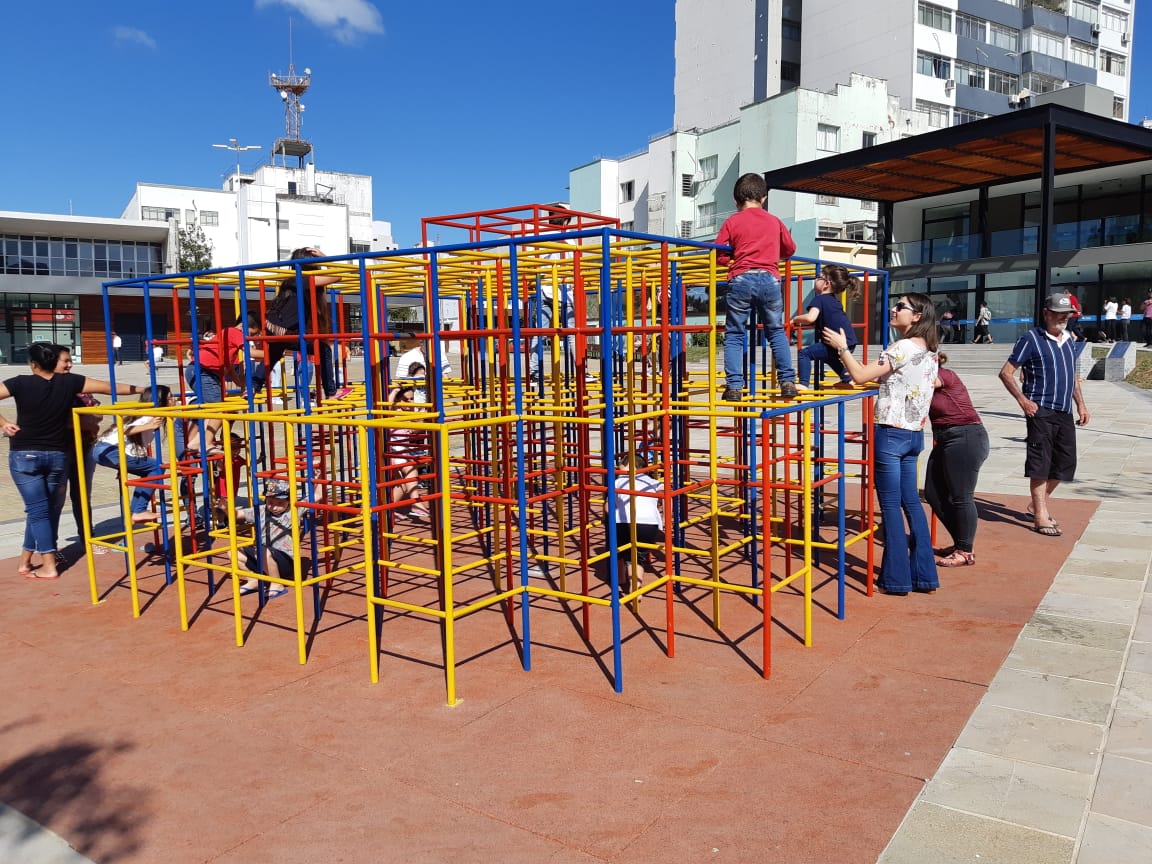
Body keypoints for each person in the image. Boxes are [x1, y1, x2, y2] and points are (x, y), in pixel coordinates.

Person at [823, 293, 939, 596]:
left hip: (890, 434)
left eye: (900, 307)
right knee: (911, 503)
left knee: (889, 506)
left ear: (916, 316)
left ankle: (896, 579)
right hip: (914, 435)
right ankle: (924, 575)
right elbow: (898, 381)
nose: (893, 309)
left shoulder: (900, 347)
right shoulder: (930, 351)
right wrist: (854, 381)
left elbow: (861, 375)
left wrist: (843, 348)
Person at [0, 342, 147, 580]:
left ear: (33, 364)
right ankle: (25, 560)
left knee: (39, 510)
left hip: (26, 454)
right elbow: (110, 388)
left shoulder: (20, 382)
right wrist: (144, 389)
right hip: (57, 455)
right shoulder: (70, 382)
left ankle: (48, 565)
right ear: (53, 362)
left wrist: (4, 423)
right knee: (43, 509)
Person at [999, 292, 1090, 537]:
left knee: (1065, 463)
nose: (1062, 319)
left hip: (1064, 411)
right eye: (1058, 314)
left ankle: (1037, 503)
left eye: (1066, 315)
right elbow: (1006, 373)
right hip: (1040, 409)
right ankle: (1040, 513)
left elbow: (1072, 376)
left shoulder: (1070, 340)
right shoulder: (1031, 339)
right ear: (1046, 313)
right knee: (1041, 463)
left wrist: (1080, 404)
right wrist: (1023, 401)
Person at [717, 173, 798, 400]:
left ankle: (734, 386)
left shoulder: (732, 221)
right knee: (775, 331)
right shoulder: (774, 221)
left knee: (734, 333)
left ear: (736, 201)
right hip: (770, 279)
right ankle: (788, 381)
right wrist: (772, 253)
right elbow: (790, 249)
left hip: (742, 278)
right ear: (764, 198)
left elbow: (718, 252)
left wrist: (730, 260)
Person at [924, 354, 988, 567]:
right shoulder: (925, 376)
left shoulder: (944, 375)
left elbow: (927, 382)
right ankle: (962, 541)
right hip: (945, 437)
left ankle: (965, 551)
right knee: (933, 493)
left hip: (966, 435)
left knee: (961, 496)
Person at [264, 247, 344, 399]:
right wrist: (324, 257)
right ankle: (331, 391)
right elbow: (337, 276)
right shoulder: (305, 280)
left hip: (271, 327)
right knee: (324, 349)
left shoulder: (288, 281)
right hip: (286, 331)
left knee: (272, 355)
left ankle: (252, 387)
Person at [91, 385, 174, 526]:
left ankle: (133, 514)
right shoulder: (150, 415)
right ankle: (139, 510)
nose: (174, 400)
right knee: (157, 466)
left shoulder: (143, 413)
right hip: (110, 450)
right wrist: (149, 426)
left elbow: (129, 442)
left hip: (102, 450)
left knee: (149, 471)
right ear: (161, 401)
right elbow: (125, 431)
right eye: (170, 398)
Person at [528, 205, 590, 382]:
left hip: (545, 290)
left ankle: (534, 372)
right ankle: (581, 371)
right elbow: (577, 266)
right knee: (572, 333)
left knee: (538, 332)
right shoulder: (570, 241)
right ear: (566, 220)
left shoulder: (541, 238)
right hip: (565, 292)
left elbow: (535, 265)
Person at [185, 317, 258, 455]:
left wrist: (244, 386)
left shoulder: (229, 347)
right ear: (243, 327)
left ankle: (197, 441)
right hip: (203, 371)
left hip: (202, 372)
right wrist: (272, 355)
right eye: (252, 334)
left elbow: (230, 370)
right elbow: (251, 353)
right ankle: (204, 442)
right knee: (219, 408)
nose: (251, 338)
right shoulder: (234, 332)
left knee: (215, 409)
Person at [222, 479, 295, 599]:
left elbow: (317, 496)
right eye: (270, 502)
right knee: (233, 553)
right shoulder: (261, 511)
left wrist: (317, 474)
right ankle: (253, 580)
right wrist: (226, 508)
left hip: (285, 561)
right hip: (262, 557)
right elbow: (237, 515)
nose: (274, 507)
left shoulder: (293, 511)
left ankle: (277, 584)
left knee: (263, 551)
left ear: (288, 501)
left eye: (280, 503)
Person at [791, 264, 859, 388]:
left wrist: (795, 319)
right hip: (848, 340)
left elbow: (810, 317)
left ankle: (803, 384)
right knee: (828, 357)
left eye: (818, 277)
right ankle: (847, 379)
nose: (816, 280)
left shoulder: (820, 299)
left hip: (836, 341)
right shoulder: (833, 300)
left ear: (826, 284)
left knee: (804, 354)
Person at [610, 452, 664, 592]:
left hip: (623, 521)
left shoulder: (618, 481)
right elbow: (666, 492)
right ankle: (636, 587)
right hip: (649, 523)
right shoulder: (651, 481)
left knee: (621, 549)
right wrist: (665, 517)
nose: (618, 468)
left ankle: (621, 578)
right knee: (638, 556)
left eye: (621, 465)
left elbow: (608, 507)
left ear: (631, 467)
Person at [386, 384, 429, 520]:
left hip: (400, 455)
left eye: (411, 399)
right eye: (406, 399)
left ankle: (388, 510)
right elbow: (385, 406)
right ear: (398, 400)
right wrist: (395, 391)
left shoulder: (409, 412)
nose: (410, 402)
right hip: (390, 454)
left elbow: (417, 426)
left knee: (404, 486)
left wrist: (424, 412)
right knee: (411, 467)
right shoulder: (394, 411)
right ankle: (416, 503)